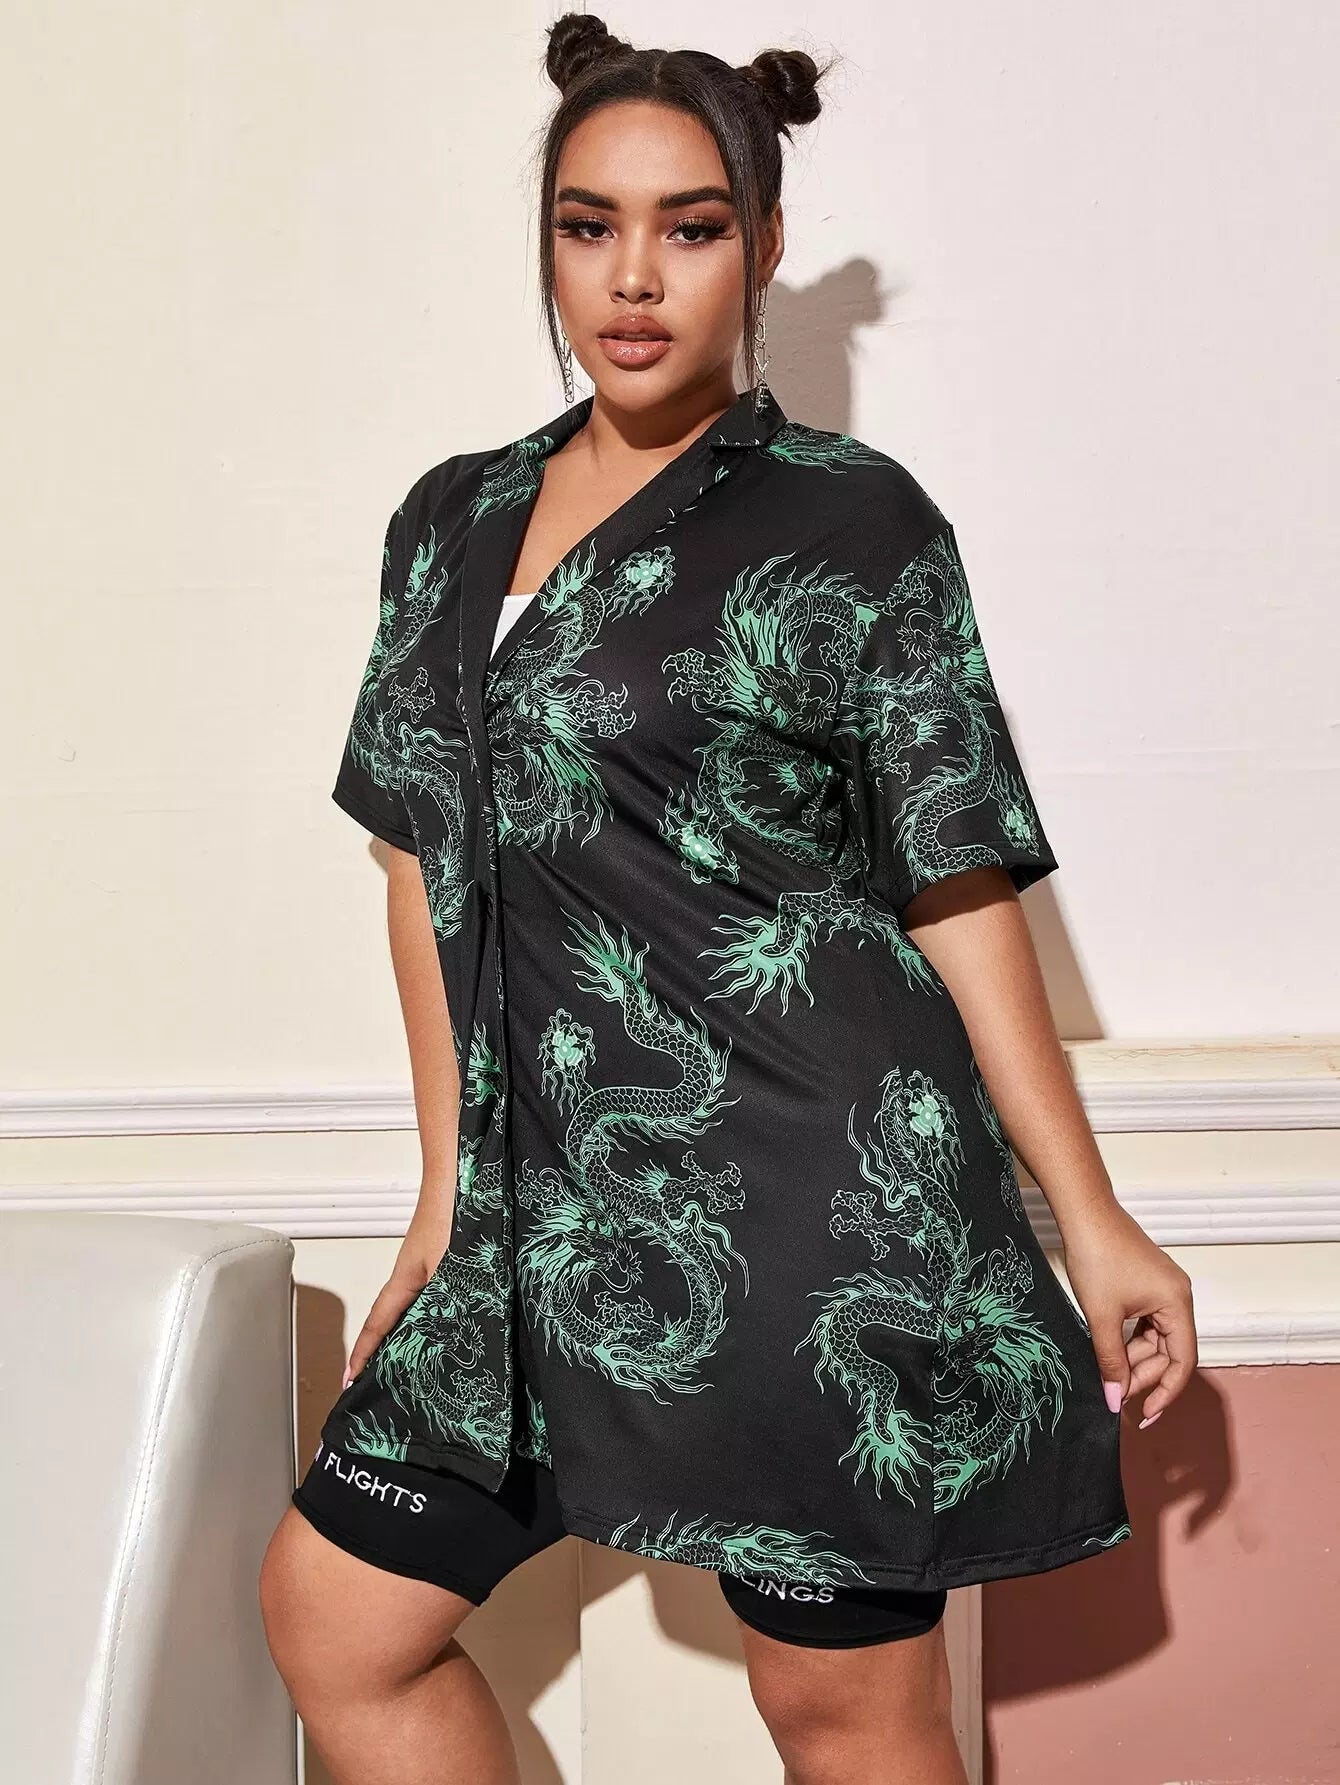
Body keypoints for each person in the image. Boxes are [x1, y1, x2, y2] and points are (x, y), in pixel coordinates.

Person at [260, 14, 1197, 1783]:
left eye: (690, 228)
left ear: (761, 247)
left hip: (817, 1212)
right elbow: (419, 862)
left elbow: (954, 876)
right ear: (547, 241)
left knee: (836, 1709)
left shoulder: (855, 522)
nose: (633, 276)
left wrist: (1093, 1216)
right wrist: (447, 1198)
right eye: (588, 225)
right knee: (336, 1620)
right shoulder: (447, 522)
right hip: (537, 1222)